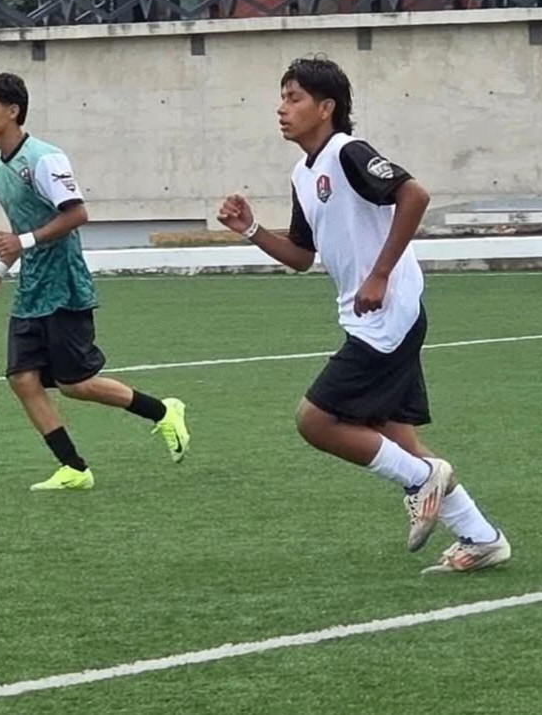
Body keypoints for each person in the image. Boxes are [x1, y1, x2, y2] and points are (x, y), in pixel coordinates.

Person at [217, 56, 510, 575]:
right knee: (398, 439)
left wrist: (379, 275)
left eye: (294, 98)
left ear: (325, 108)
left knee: (315, 421)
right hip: (373, 318)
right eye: (282, 97)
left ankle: (420, 481)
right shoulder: (303, 174)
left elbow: (414, 195)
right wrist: (251, 230)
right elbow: (301, 256)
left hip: (389, 315)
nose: (282, 108)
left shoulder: (347, 151)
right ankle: (482, 538)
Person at [0, 72, 190, 490]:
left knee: (75, 384)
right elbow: (22, 234)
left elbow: (76, 214)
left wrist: (22, 242)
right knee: (21, 378)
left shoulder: (45, 159)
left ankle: (163, 412)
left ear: (12, 111)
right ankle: (74, 468)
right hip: (32, 288)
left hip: (64, 285)